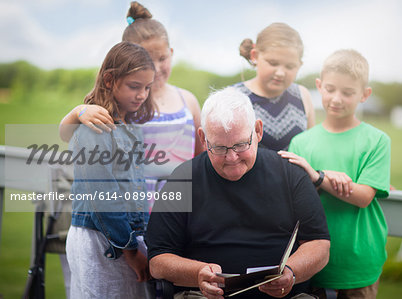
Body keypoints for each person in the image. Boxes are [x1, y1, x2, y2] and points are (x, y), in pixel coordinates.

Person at [145, 87, 330, 299]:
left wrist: (291, 271)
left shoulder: (290, 174)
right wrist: (197, 273)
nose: (232, 157)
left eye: (241, 144)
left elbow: (319, 244)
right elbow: (158, 260)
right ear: (203, 138)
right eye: (220, 148)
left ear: (258, 131)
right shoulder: (182, 179)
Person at [279, 49, 391, 298]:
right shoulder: (301, 142)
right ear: (319, 86)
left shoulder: (377, 141)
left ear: (364, 94)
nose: (336, 98)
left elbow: (363, 197)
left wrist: (319, 177)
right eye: (330, 89)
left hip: (358, 263)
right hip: (311, 261)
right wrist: (324, 176)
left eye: (348, 92)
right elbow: (295, 199)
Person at [59, 1, 202, 195]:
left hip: (178, 211)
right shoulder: (124, 105)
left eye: (162, 59)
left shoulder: (188, 101)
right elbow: (67, 135)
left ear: (171, 53)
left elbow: (200, 158)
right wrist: (79, 112)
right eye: (147, 60)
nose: (156, 68)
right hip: (132, 212)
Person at [66, 41, 156, 298]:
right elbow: (104, 197)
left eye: (147, 87)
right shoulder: (95, 128)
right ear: (109, 80)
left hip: (121, 236)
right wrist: (129, 250)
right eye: (134, 86)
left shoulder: (128, 125)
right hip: (101, 240)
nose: (142, 95)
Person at [234, 22, 315, 151]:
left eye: (289, 66)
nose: (280, 73)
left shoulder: (302, 95)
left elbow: (311, 147)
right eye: (273, 63)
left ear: (299, 65)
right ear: (255, 56)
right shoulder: (233, 97)